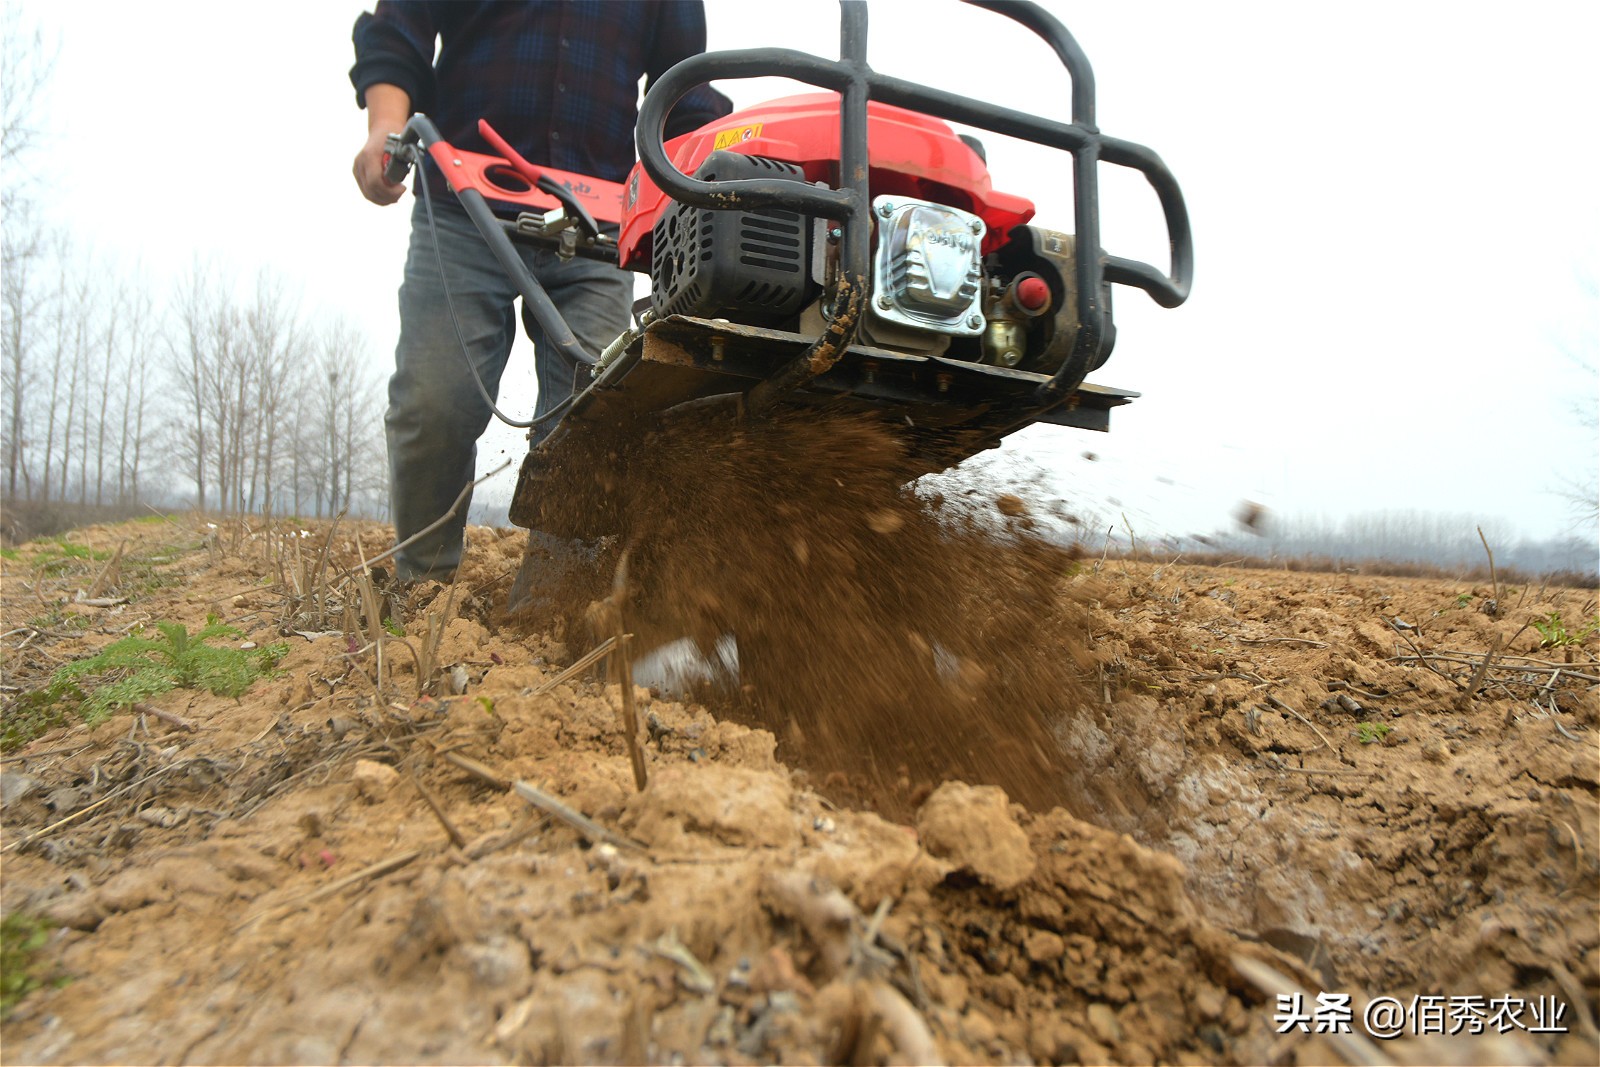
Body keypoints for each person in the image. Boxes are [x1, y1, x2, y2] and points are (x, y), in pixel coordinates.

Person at [350, 1, 731, 583]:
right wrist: (385, 126)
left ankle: (555, 608)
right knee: (434, 401)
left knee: (590, 419)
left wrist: (715, 188)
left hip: (599, 222)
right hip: (461, 205)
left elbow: (685, 92)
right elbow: (399, 30)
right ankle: (423, 587)